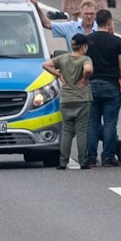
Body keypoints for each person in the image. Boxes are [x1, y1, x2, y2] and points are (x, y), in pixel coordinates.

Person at [84, 9, 121, 168]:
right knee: (110, 122)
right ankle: (108, 156)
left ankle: (90, 156)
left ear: (96, 22)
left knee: (92, 123)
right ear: (110, 22)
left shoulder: (88, 40)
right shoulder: (116, 41)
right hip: (111, 84)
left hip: (91, 84)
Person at [45, 32, 94, 169]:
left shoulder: (63, 58)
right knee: (81, 131)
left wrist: (58, 74)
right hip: (82, 98)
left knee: (67, 130)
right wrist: (85, 78)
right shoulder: (85, 59)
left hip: (66, 98)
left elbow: (46, 65)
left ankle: (62, 161)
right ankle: (83, 160)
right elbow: (88, 70)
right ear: (84, 47)